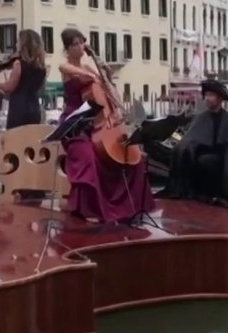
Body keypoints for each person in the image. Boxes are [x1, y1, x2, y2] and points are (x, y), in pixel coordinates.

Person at [57, 28, 155, 224]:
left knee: (131, 158)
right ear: (67, 48)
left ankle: (130, 206)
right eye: (75, 44)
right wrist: (94, 76)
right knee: (88, 158)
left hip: (99, 122)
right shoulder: (66, 67)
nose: (80, 46)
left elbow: (110, 95)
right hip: (75, 124)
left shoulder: (90, 68)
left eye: (82, 42)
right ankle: (89, 208)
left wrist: (106, 77)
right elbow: (69, 70)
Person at [159, 79, 228, 208]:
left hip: (223, 156)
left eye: (211, 95)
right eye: (206, 95)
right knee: (184, 154)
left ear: (219, 99)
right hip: (204, 152)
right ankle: (190, 191)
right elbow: (192, 138)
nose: (207, 98)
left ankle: (214, 193)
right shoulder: (201, 117)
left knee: (206, 161)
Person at [0, 29, 47, 129]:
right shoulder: (42, 68)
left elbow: (8, 88)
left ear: (23, 44)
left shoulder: (19, 64)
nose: (16, 44)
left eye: (18, 41)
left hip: (19, 109)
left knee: (15, 140)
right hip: (35, 109)